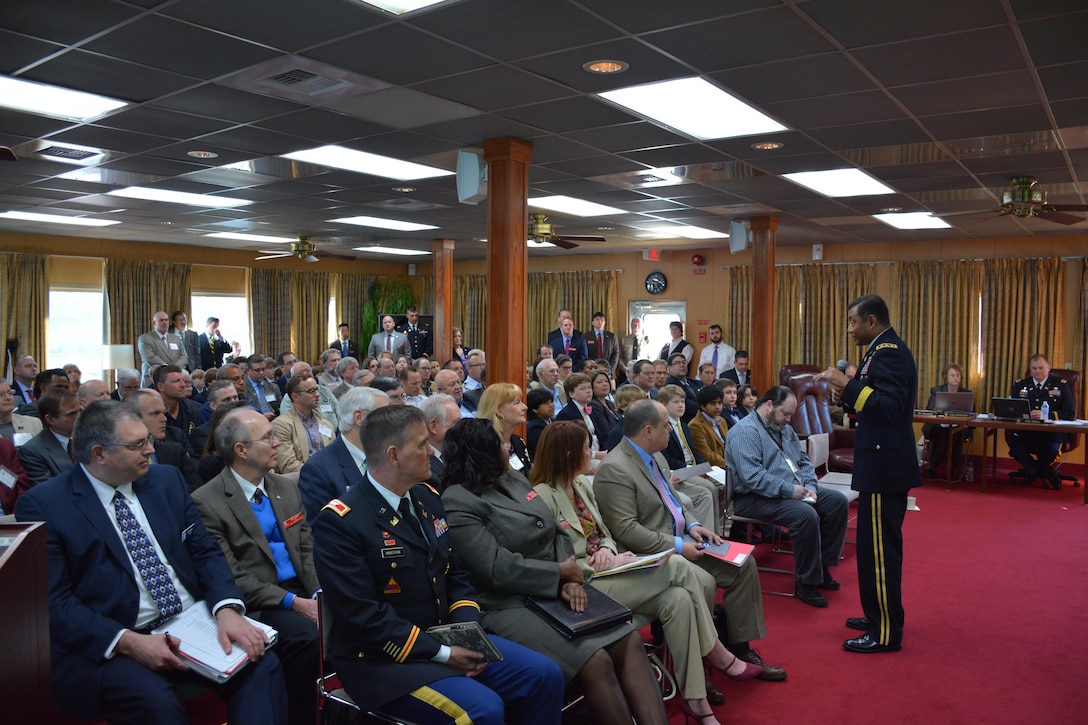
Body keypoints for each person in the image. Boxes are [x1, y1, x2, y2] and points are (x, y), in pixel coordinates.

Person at [15, 400, 287, 724]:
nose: (151, 450)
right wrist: (129, 643)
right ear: (99, 454)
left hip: (192, 622)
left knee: (263, 664)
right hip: (116, 636)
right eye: (138, 445)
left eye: (148, 440)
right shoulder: (46, 505)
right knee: (154, 702)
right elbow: (55, 602)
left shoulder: (165, 481)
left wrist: (227, 609)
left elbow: (205, 551)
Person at [311, 406, 564, 724]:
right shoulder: (341, 521)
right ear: (394, 455)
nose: (432, 450)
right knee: (480, 710)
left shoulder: (427, 498)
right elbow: (364, 616)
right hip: (385, 661)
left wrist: (464, 632)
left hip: (444, 638)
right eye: (421, 445)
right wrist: (443, 653)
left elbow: (456, 572)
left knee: (544, 675)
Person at [531, 422, 762, 724]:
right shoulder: (542, 496)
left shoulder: (580, 485)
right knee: (677, 563)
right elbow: (552, 556)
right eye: (588, 448)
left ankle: (696, 700)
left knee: (678, 599)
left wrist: (608, 551)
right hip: (584, 585)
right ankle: (717, 652)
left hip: (610, 569)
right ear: (569, 453)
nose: (593, 453)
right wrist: (600, 561)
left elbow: (606, 534)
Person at [441, 418, 667, 725]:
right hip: (507, 603)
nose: (508, 446)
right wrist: (558, 574)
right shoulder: (458, 500)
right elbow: (495, 568)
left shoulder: (514, 479)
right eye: (501, 443)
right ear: (483, 452)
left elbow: (556, 531)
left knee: (629, 640)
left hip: (558, 585)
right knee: (596, 661)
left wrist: (569, 574)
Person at [593, 399, 787, 681]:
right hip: (652, 554)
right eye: (664, 427)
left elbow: (672, 500)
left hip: (683, 540)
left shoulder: (655, 457)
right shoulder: (614, 468)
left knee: (743, 565)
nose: (670, 432)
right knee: (704, 581)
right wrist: (680, 546)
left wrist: (694, 525)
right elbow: (626, 531)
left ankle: (741, 647)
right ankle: (698, 667)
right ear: (648, 431)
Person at [193, 408, 320, 725]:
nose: (277, 443)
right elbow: (231, 574)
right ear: (241, 450)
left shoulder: (285, 487)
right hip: (260, 602)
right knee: (308, 637)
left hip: (302, 592)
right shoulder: (207, 502)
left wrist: (318, 592)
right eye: (268, 438)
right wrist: (295, 603)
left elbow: (307, 547)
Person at [817, 294, 921, 653]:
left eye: (853, 322)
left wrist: (848, 386)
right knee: (869, 547)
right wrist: (847, 392)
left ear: (872, 321)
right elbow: (871, 400)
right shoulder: (879, 348)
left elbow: (888, 407)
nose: (850, 329)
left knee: (879, 550)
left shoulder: (888, 351)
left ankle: (886, 631)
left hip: (885, 466)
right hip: (879, 462)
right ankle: (877, 613)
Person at [725, 386, 849, 608]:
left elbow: (803, 462)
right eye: (786, 413)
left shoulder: (784, 429)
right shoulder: (745, 432)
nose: (789, 420)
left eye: (792, 415)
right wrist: (791, 491)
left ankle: (821, 568)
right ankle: (806, 582)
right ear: (769, 405)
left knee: (836, 503)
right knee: (805, 515)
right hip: (753, 499)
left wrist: (810, 486)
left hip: (791, 492)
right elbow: (754, 478)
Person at [297, 385, 389, 521]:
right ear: (359, 418)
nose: (392, 422)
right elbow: (323, 528)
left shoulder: (388, 456)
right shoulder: (318, 470)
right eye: (384, 415)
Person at [658, 385, 721, 535]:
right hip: (678, 471)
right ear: (664, 404)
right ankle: (706, 532)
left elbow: (694, 452)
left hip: (691, 468)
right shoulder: (663, 427)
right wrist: (693, 470)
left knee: (728, 483)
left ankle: (721, 530)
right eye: (676, 402)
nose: (681, 405)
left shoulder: (684, 426)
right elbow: (667, 460)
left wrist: (703, 467)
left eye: (683, 402)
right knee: (709, 489)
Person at [1007, 354, 1076, 489]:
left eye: (1041, 368)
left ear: (1048, 368)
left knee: (1051, 451)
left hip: (1051, 434)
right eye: (1034, 368)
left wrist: (1047, 414)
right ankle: (1041, 471)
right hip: (1026, 432)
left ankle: (1033, 472)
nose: (1037, 371)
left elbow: (1069, 413)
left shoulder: (1060, 386)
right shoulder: (1020, 385)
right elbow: (1011, 409)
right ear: (1030, 369)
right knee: (1015, 448)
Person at [273, 374, 334, 473]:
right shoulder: (281, 425)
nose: (318, 394)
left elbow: (334, 457)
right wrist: (321, 473)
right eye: (311, 391)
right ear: (295, 397)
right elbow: (288, 465)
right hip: (299, 482)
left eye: (317, 389)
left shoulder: (327, 424)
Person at [922, 363, 973, 478]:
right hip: (937, 426)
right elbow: (930, 410)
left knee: (956, 435)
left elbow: (971, 413)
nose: (955, 378)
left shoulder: (966, 393)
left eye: (958, 376)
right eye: (952, 375)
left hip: (958, 426)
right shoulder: (936, 391)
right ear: (946, 377)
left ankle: (953, 471)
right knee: (942, 436)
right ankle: (932, 468)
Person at [477, 383, 533, 473]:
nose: (525, 407)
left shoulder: (518, 442)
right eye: (517, 403)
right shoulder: (486, 445)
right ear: (499, 411)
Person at [556, 372, 610, 463]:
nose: (588, 391)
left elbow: (600, 436)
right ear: (571, 394)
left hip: (597, 455)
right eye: (582, 388)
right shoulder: (566, 414)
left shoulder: (593, 411)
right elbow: (570, 446)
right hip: (580, 459)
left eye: (589, 387)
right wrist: (594, 454)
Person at [137, 311, 190, 386]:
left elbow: (184, 357)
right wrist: (169, 369)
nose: (165, 322)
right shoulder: (145, 338)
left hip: (174, 380)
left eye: (166, 320)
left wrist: (174, 369)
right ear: (154, 323)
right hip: (153, 379)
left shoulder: (176, 338)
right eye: (161, 320)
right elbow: (150, 358)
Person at [688, 385, 727, 469]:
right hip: (712, 468)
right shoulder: (695, 425)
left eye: (720, 403)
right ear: (702, 406)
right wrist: (729, 465)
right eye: (713, 403)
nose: (717, 407)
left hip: (727, 465)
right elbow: (706, 454)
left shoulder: (722, 420)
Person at [525, 387, 555, 459]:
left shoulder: (555, 421)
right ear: (534, 409)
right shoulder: (533, 428)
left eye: (551, 401)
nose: (551, 405)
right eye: (545, 403)